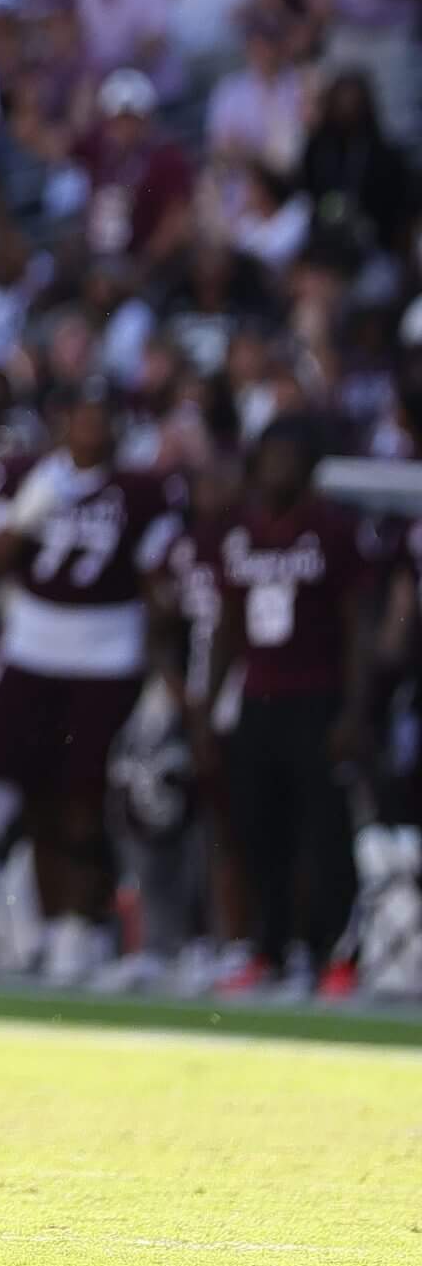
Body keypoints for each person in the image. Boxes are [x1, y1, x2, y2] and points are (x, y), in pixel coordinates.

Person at [0, 381, 183, 984]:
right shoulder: (27, 475)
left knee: (78, 799)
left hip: (107, 656)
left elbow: (162, 584)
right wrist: (30, 512)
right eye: (81, 416)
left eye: (100, 418)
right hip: (31, 649)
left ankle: (72, 935)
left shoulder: (142, 491)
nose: (90, 429)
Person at [205, 416, 379, 998]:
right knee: (259, 830)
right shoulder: (240, 531)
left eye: (288, 457)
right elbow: (227, 626)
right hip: (259, 696)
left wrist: (354, 710)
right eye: (269, 457)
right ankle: (268, 949)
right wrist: (211, 701)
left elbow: (358, 627)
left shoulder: (332, 530)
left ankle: (333, 952)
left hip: (317, 696)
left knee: (323, 834)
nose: (277, 469)